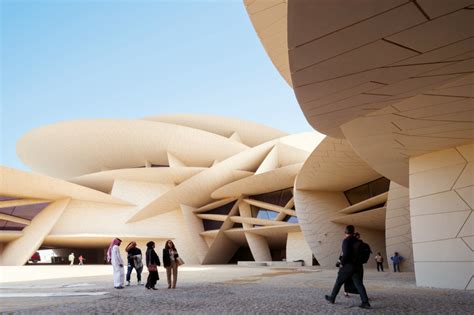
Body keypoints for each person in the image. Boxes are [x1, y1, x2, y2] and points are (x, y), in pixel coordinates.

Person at [325, 225, 371, 309]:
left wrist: (341, 263)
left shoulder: (346, 241)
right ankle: (365, 302)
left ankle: (332, 298)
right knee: (359, 284)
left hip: (349, 266)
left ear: (345, 232)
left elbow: (345, 254)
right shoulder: (358, 240)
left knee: (339, 282)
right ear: (353, 232)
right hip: (358, 266)